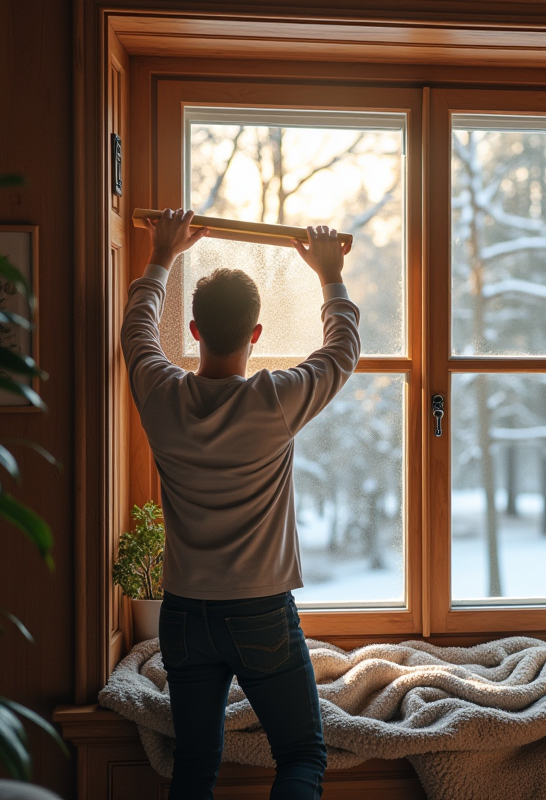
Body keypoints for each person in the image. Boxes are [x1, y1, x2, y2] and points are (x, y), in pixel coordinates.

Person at [121, 208, 360, 800]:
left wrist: (161, 255)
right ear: (255, 335)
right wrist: (329, 275)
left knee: (195, 764)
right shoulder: (274, 400)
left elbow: (136, 330)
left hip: (183, 615)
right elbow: (342, 351)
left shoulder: (161, 393)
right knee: (302, 754)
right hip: (260, 615)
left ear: (196, 331)